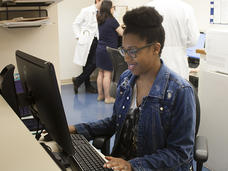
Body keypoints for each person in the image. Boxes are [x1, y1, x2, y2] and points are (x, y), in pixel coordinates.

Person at [69, 6, 196, 170]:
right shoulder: (126, 80)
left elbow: (180, 153)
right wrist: (76, 129)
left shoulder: (180, 91)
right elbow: (115, 122)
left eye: (133, 51)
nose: (127, 58)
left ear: (155, 49)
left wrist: (132, 165)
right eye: (124, 50)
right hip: (121, 164)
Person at [146, 0, 199, 80]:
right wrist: (179, 44)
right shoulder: (186, 8)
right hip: (178, 69)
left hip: (152, 68)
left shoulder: (147, 7)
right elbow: (193, 40)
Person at [72, 0, 103, 94]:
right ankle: (87, 86)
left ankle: (78, 80)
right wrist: (78, 36)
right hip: (87, 40)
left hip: (97, 40)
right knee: (86, 63)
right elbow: (75, 23)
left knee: (94, 62)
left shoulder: (103, 12)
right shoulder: (86, 10)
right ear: (97, 1)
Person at [96, 0, 123, 104]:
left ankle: (100, 95)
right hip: (108, 50)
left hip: (99, 49)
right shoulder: (112, 20)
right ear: (109, 8)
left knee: (101, 73)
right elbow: (121, 33)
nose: (114, 9)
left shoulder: (100, 18)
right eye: (113, 7)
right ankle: (108, 98)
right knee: (107, 74)